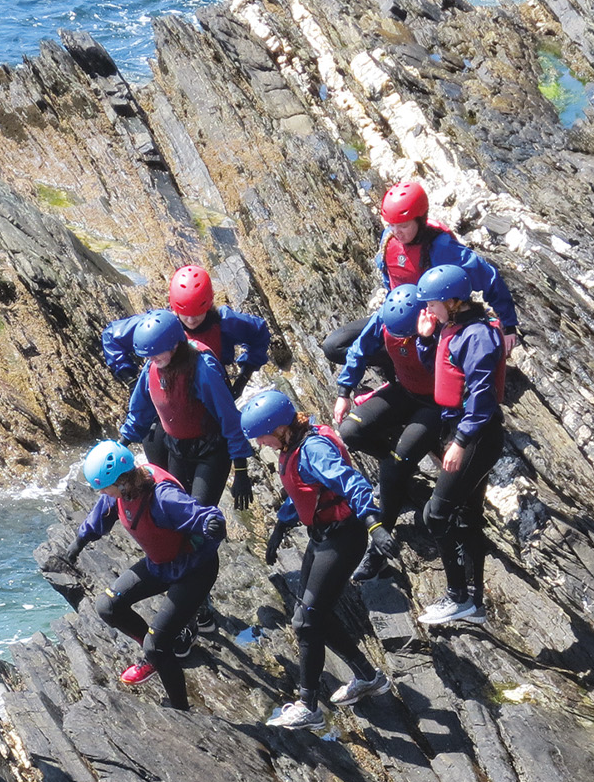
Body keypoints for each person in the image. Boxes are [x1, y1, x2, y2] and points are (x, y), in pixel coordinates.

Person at [242, 391, 393, 728]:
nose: (261, 443)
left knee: (307, 622)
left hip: (344, 537)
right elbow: (309, 492)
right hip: (323, 535)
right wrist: (282, 523)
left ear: (280, 429)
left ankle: (308, 706)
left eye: (262, 436)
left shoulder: (313, 449)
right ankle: (368, 678)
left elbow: (351, 483)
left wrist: (375, 525)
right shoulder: (292, 445)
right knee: (309, 615)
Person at [58, 441, 225, 711]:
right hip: (160, 564)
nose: (102, 493)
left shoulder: (163, 498)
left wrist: (211, 523)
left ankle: (180, 708)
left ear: (121, 482)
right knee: (108, 606)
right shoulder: (121, 493)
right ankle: (153, 658)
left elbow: (203, 516)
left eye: (104, 488)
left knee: (157, 644)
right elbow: (101, 515)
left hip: (194, 570)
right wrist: (75, 546)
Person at [413, 264, 509, 629]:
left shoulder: (479, 336)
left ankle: (456, 597)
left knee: (435, 515)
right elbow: (443, 373)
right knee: (468, 517)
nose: (429, 310)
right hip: (461, 430)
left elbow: (483, 398)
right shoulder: (452, 328)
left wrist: (461, 441)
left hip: (477, 435)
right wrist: (425, 339)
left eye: (433, 303)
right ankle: (474, 603)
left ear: (453, 301)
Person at [330, 284, 440, 581]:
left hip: (435, 405)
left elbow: (450, 372)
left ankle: (379, 547)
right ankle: (391, 457)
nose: (401, 339)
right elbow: (359, 349)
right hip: (405, 390)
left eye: (407, 334)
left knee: (394, 470)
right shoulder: (388, 320)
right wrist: (344, 390)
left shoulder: (440, 330)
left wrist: (426, 340)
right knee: (350, 431)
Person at [118, 309, 255, 511]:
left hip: (211, 451)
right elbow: (140, 411)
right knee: (176, 512)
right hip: (178, 448)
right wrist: (121, 445)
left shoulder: (203, 369)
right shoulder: (152, 368)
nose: (153, 359)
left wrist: (241, 470)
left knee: (197, 515)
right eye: (148, 356)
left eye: (156, 353)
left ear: (175, 343)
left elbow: (230, 419)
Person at [373, 181, 520, 358]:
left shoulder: (442, 248)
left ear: (420, 221)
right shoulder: (388, 238)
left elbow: (488, 277)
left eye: (403, 226)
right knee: (335, 347)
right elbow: (388, 277)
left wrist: (509, 325)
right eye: (392, 224)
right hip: (398, 314)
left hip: (434, 321)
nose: (396, 232)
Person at [101, 264, 270, 396]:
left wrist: (244, 377)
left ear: (209, 304)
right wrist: (130, 379)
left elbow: (259, 332)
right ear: (174, 307)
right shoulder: (159, 325)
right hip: (170, 397)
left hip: (214, 396)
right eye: (185, 314)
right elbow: (111, 336)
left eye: (197, 314)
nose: (191, 320)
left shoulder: (225, 323)